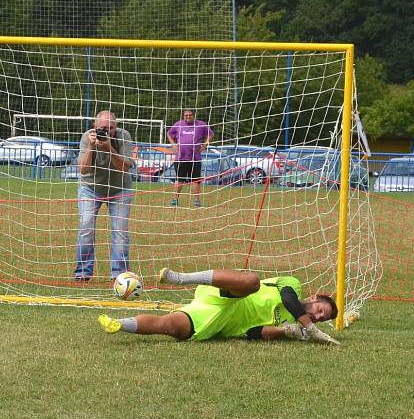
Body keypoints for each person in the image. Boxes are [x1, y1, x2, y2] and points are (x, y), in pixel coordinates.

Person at [98, 267, 340, 345]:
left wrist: (285, 331)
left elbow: (254, 333)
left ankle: (118, 324)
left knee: (171, 327)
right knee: (251, 282)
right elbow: (287, 299)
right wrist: (308, 326)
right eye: (320, 310)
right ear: (313, 297)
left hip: (222, 321)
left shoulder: (294, 324)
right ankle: (180, 278)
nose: (318, 317)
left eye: (321, 319)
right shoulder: (293, 286)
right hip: (228, 295)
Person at [73, 110, 135, 282]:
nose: (106, 131)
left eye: (110, 128)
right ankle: (82, 273)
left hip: (119, 188)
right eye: (102, 128)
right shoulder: (87, 137)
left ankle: (119, 275)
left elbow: (125, 167)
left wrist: (109, 147)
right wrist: (92, 146)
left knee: (120, 231)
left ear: (116, 127)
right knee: (86, 226)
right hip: (90, 187)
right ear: (95, 127)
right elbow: (83, 169)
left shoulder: (123, 136)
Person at [167, 108, 213, 207]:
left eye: (190, 115)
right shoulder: (178, 124)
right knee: (179, 179)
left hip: (195, 158)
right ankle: (175, 199)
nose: (188, 116)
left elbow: (210, 134)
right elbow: (169, 134)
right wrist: (173, 144)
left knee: (195, 180)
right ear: (183, 116)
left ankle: (197, 200)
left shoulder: (201, 125)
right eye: (186, 115)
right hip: (181, 158)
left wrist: (204, 145)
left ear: (194, 115)